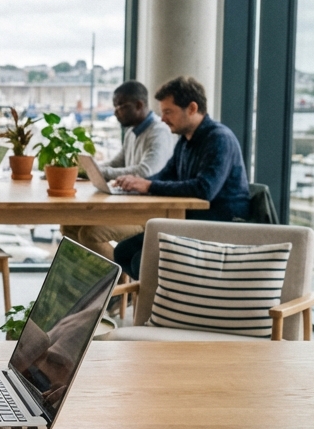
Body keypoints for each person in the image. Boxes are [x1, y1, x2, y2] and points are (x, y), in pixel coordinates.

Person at [112, 76, 250, 279]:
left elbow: (204, 189)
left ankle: (164, 302)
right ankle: (161, 300)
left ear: (192, 108)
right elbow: (166, 175)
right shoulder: (185, 141)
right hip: (192, 221)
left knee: (142, 259)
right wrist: (138, 184)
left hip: (222, 225)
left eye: (168, 112)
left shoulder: (219, 138)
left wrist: (149, 185)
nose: (163, 118)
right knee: (123, 252)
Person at [61, 80, 173, 260]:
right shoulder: (132, 132)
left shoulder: (159, 132)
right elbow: (116, 163)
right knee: (69, 226)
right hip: (130, 206)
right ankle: (95, 279)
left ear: (139, 105)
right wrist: (86, 170)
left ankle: (116, 278)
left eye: (120, 105)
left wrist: (99, 173)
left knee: (90, 234)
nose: (115, 111)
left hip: (148, 213)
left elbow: (146, 172)